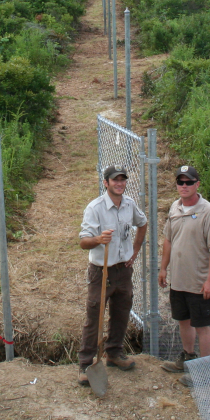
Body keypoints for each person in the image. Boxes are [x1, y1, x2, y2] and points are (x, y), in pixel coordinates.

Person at [78, 164, 147, 386]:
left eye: (122, 180)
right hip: (101, 271)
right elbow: (83, 242)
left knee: (121, 312)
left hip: (123, 270)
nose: (119, 183)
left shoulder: (129, 204)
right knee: (94, 316)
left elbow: (143, 223)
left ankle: (114, 353)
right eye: (115, 180)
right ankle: (86, 364)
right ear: (106, 183)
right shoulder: (95, 208)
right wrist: (98, 240)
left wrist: (135, 251)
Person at [158, 165, 210, 386]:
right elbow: (168, 239)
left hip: (199, 283)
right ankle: (187, 358)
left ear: (198, 184)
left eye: (189, 182)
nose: (184, 186)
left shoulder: (209, 212)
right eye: (181, 182)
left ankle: (204, 372)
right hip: (178, 281)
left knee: (202, 326)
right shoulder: (174, 208)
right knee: (183, 321)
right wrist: (163, 268)